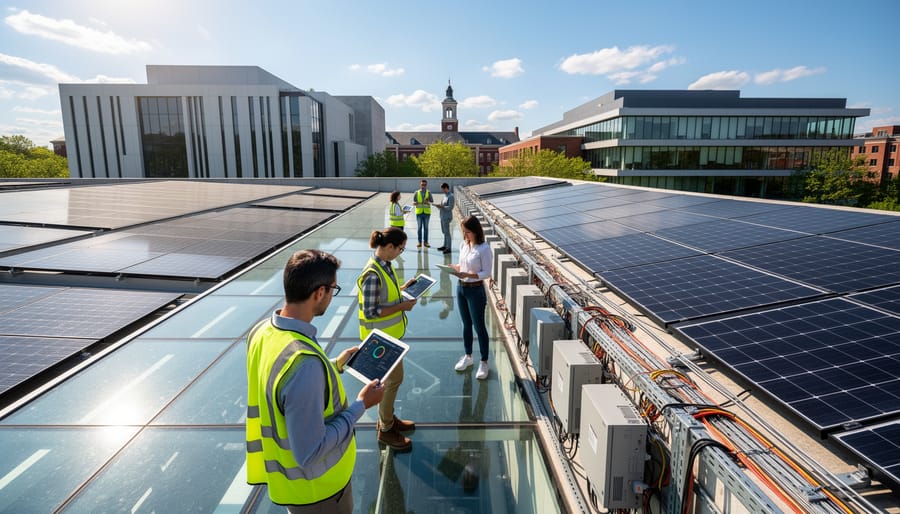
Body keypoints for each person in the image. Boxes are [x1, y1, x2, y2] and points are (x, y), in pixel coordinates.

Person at [246, 249, 384, 513]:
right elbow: (310, 452)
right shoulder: (304, 363)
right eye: (334, 288)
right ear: (319, 292)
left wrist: (335, 365)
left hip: (293, 488)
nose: (332, 295)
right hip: (319, 491)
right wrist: (361, 405)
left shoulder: (262, 332)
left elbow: (284, 391)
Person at [357, 227, 418, 450]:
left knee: (392, 382)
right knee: (391, 383)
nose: (400, 253)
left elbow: (387, 294)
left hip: (388, 337)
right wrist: (403, 306)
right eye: (400, 249)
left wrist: (404, 289)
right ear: (389, 246)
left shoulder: (384, 266)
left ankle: (388, 419)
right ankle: (386, 429)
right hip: (381, 341)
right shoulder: (373, 274)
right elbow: (372, 310)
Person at [448, 215, 494, 380]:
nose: (465, 235)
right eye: (463, 232)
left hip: (475, 291)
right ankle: (468, 356)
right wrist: (455, 268)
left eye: (467, 232)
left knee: (479, 326)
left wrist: (468, 274)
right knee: (466, 325)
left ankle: (484, 361)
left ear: (475, 231)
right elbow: (463, 265)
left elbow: (487, 273)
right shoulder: (464, 245)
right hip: (461, 288)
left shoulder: (484, 249)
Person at [412, 179, 433, 248]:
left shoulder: (429, 192)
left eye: (424, 184)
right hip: (419, 213)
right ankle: (419, 242)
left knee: (426, 228)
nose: (423, 186)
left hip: (427, 213)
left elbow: (432, 202)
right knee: (419, 228)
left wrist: (428, 202)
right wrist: (415, 203)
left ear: (426, 185)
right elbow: (413, 202)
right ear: (420, 185)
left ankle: (426, 242)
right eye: (422, 184)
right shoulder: (416, 192)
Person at [435, 182, 455, 254]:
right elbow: (442, 205)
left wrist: (442, 207)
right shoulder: (445, 196)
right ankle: (445, 245)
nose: (442, 190)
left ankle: (448, 248)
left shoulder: (451, 196)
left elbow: (451, 207)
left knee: (447, 232)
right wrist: (439, 206)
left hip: (447, 217)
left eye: (442, 189)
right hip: (442, 216)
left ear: (446, 188)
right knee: (444, 232)